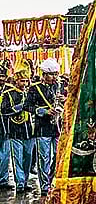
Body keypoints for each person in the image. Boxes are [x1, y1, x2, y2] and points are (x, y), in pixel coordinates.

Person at [28, 58, 63, 196]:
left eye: (56, 74)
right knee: (44, 157)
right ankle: (44, 186)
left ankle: (53, 181)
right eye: (52, 74)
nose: (55, 77)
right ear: (44, 74)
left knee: (57, 155)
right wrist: (44, 111)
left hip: (56, 127)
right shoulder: (34, 88)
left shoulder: (57, 86)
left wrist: (63, 101)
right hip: (42, 127)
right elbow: (27, 106)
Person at [0, 65, 34, 193]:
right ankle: (19, 183)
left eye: (26, 81)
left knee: (28, 157)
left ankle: (25, 181)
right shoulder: (8, 94)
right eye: (22, 80)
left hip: (29, 131)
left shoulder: (31, 93)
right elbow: (4, 111)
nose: (24, 83)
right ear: (16, 80)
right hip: (15, 130)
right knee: (17, 158)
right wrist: (18, 108)